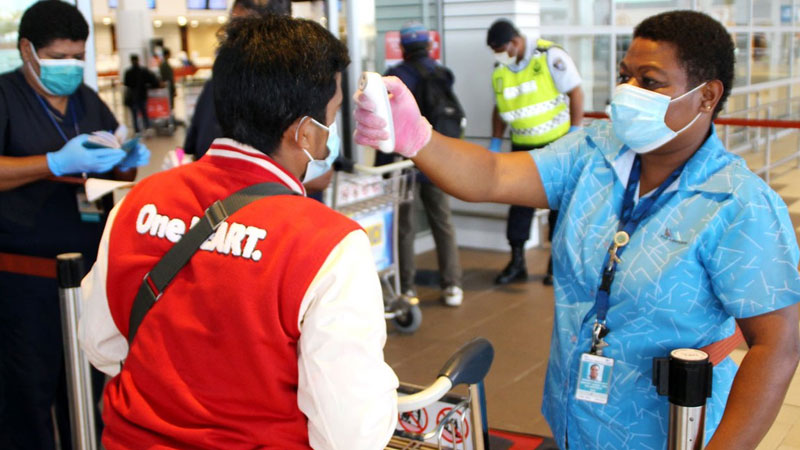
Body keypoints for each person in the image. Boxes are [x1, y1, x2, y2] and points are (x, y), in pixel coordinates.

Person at [354, 10, 800, 449]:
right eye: (625, 75)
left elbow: (778, 345)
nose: (628, 91)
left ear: (707, 96)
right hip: (576, 417)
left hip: (669, 431)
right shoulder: (594, 152)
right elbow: (491, 175)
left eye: (650, 81)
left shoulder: (738, 204)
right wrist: (418, 139)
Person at [80, 15, 398, 449]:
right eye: (334, 114)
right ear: (305, 133)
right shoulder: (329, 245)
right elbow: (350, 435)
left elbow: (101, 345)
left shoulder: (138, 202)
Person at [0, 1, 150, 449]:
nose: (69, 66)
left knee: (87, 388)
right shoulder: (7, 97)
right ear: (27, 50)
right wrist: (51, 163)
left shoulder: (86, 101)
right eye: (58, 57)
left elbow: (110, 168)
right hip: (23, 282)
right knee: (27, 396)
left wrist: (126, 161)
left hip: (87, 276)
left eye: (76, 57)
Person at [486, 19, 584, 286]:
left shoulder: (550, 56)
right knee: (519, 204)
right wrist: (496, 142)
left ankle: (555, 264)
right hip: (521, 147)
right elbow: (500, 107)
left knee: (557, 205)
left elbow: (575, 92)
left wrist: (575, 130)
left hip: (556, 144)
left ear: (515, 42)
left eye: (500, 48)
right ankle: (517, 261)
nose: (498, 54)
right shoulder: (501, 68)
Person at [377, 21, 464, 306]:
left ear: (402, 47)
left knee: (405, 227)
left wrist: (383, 169)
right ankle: (452, 286)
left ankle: (407, 287)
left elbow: (386, 124)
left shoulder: (395, 77)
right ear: (428, 45)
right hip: (437, 162)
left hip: (406, 166)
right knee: (443, 223)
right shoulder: (442, 74)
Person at [183, 0, 291, 159]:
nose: (235, 43)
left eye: (247, 33)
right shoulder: (216, 85)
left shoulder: (292, 88)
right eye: (233, 33)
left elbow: (320, 169)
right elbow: (196, 146)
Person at [123, 54, 158, 133]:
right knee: (144, 112)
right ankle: (147, 127)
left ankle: (137, 130)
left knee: (135, 114)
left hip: (133, 96)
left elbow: (126, 84)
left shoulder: (129, 72)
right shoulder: (143, 71)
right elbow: (152, 80)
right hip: (142, 95)